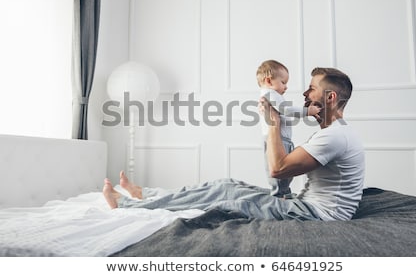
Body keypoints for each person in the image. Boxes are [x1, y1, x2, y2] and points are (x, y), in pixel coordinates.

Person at [103, 67, 365, 222]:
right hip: (305, 205)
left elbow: (278, 168)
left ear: (330, 97)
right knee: (226, 185)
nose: (305, 94)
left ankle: (127, 205)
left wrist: (272, 122)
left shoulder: (334, 136)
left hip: (315, 215)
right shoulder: (334, 132)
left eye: (312, 89)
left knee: (226, 197)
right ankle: (146, 196)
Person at [256, 60, 321, 198]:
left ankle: (283, 192)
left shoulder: (271, 95)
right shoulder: (270, 94)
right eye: (283, 82)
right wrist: (307, 111)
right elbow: (286, 110)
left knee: (285, 170)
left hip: (281, 138)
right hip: (278, 139)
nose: (286, 87)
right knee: (281, 171)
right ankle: (280, 194)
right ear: (269, 81)